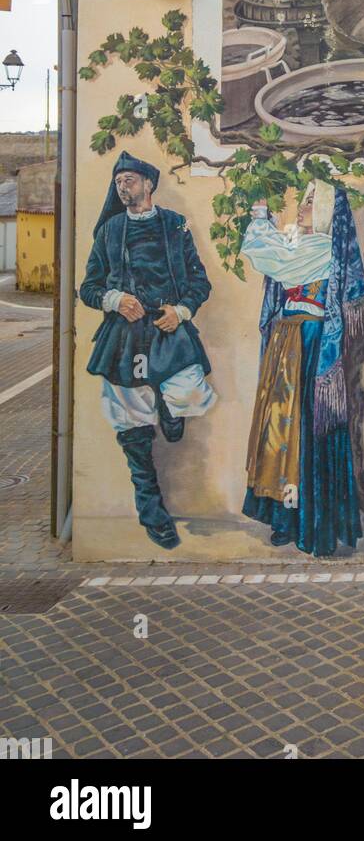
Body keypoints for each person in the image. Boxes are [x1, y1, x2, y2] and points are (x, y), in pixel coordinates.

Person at [79, 150, 216, 550]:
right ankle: (151, 510)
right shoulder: (110, 231)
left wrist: (182, 310)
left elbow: (199, 281)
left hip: (168, 330)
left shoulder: (175, 226)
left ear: (149, 184)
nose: (123, 187)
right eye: (119, 181)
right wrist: (115, 299)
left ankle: (170, 409)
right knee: (132, 428)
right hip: (124, 337)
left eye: (130, 180)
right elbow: (88, 287)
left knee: (188, 394)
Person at [240, 180, 364, 557]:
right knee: (281, 431)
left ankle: (310, 524)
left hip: (310, 345)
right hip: (287, 344)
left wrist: (261, 216)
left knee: (304, 432)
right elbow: (276, 255)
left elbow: (270, 257)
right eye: (304, 200)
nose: (302, 206)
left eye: (311, 201)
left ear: (327, 210)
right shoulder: (299, 242)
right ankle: (285, 519)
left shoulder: (321, 247)